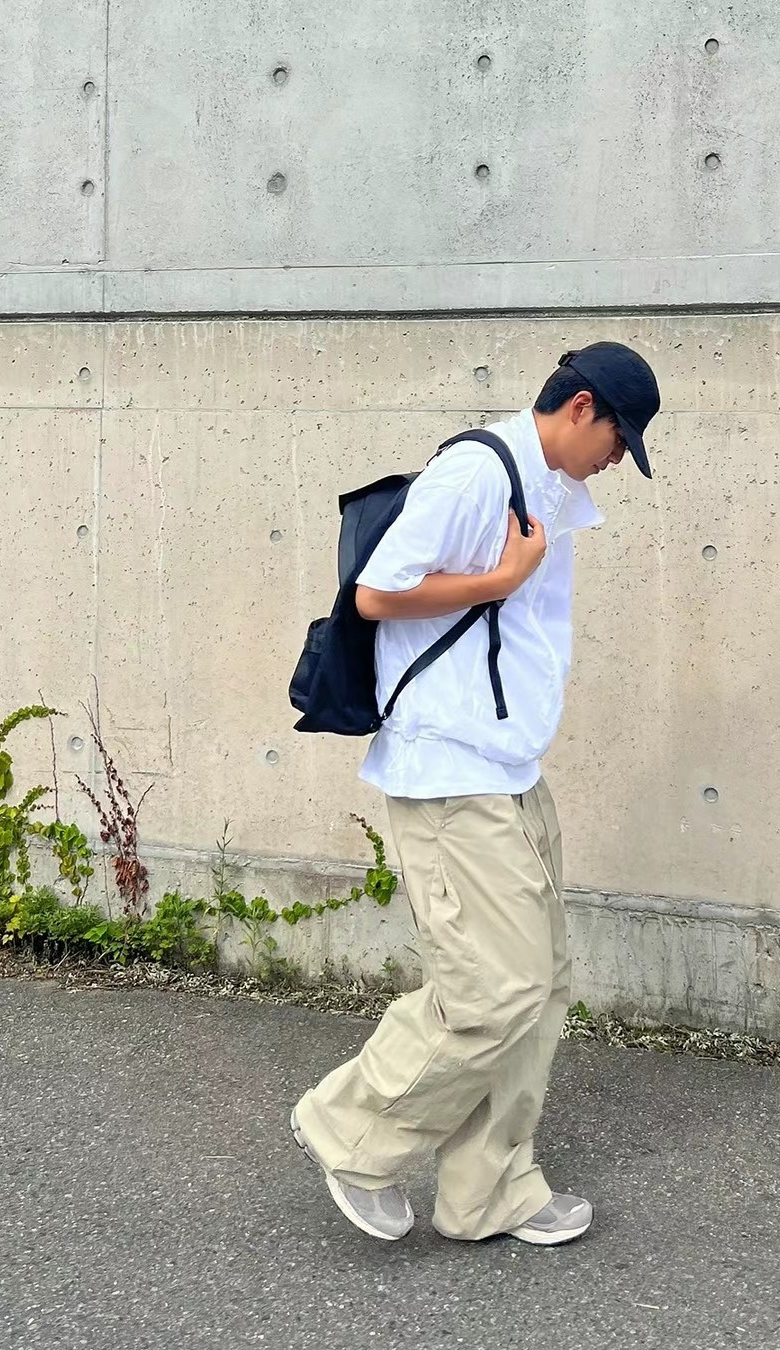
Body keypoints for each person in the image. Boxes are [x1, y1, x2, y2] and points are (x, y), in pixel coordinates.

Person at [291, 342, 661, 1246]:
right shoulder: (475, 474)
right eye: (619, 437)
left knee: (541, 989)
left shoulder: (550, 486)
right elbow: (375, 594)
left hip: (508, 769)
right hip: (449, 773)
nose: (619, 457)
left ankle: (488, 1190)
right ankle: (351, 1131)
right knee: (493, 989)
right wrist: (499, 581)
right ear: (581, 408)